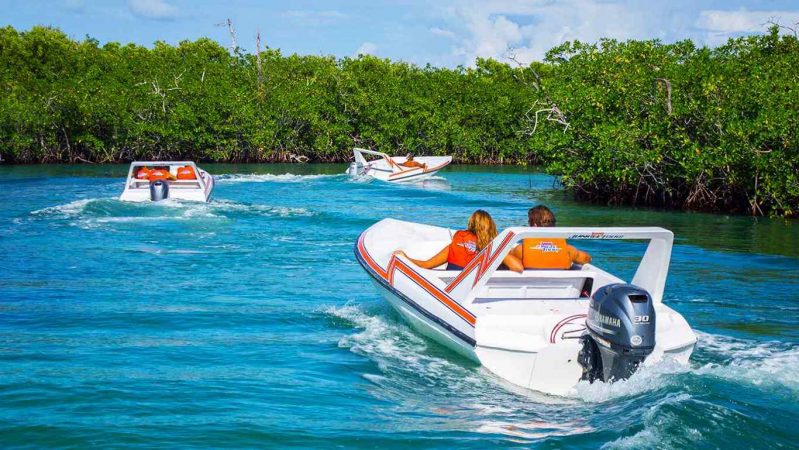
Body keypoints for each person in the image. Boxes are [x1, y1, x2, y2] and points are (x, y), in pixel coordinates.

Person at [394, 210, 523, 272]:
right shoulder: (493, 249)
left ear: (470, 225)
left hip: (452, 291)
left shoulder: (455, 245)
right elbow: (517, 267)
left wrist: (405, 258)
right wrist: (497, 250)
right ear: (491, 227)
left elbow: (426, 265)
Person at [510, 205, 591, 269]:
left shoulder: (521, 250)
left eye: (529, 222)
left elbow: (507, 259)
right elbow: (587, 259)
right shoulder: (568, 250)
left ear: (534, 226)